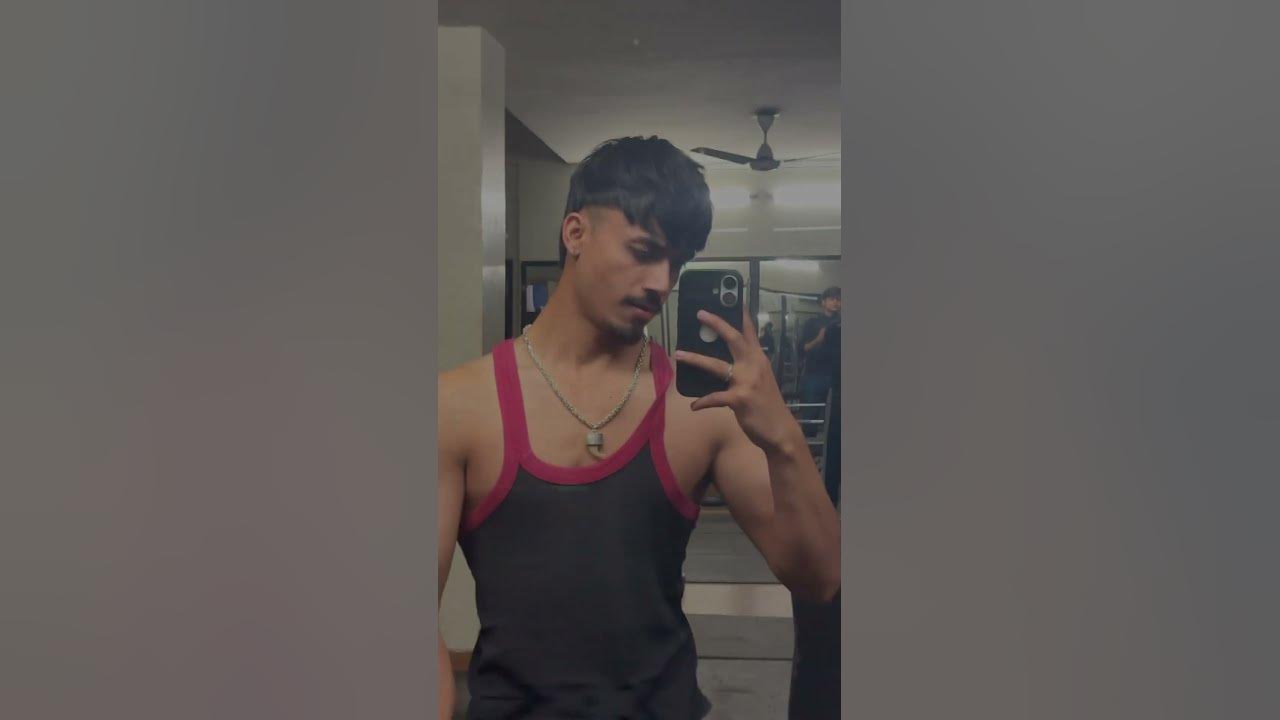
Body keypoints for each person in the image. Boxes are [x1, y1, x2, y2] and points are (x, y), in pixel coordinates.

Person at [438, 137, 840, 719]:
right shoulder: (460, 405)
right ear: (575, 232)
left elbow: (821, 578)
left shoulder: (701, 407)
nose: (661, 282)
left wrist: (782, 435)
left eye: (677, 263)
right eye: (644, 250)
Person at [798, 287, 841, 436]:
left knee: (836, 420)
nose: (836, 302)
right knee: (810, 417)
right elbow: (803, 348)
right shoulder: (812, 323)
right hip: (814, 375)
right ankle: (808, 448)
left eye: (838, 299)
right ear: (823, 302)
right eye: (832, 299)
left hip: (837, 377)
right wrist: (818, 339)